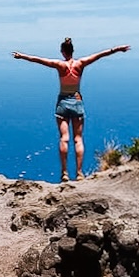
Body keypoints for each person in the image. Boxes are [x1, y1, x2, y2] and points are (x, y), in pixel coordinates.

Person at [11, 39, 131, 182]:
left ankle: (64, 173)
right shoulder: (81, 64)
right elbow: (100, 55)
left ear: (62, 51)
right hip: (77, 101)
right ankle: (79, 173)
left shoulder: (59, 65)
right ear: (72, 51)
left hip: (62, 102)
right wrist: (117, 49)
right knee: (78, 139)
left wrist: (22, 56)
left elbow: (39, 60)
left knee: (64, 138)